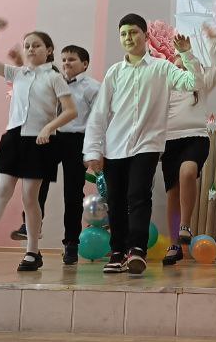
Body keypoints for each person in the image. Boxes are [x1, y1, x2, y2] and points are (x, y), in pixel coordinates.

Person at [84, 14, 202, 276]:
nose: (129, 38)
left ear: (146, 36)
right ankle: (117, 252)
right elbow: (99, 113)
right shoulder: (115, 72)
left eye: (134, 32)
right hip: (115, 146)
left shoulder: (162, 68)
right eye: (124, 33)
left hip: (147, 145)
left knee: (138, 195)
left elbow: (193, 83)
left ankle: (137, 250)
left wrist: (187, 55)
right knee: (116, 200)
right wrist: (93, 149)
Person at [0, 19, 76, 272]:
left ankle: (32, 252)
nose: (31, 49)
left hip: (39, 141)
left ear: (49, 50)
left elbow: (70, 111)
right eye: (27, 45)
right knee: (1, 189)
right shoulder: (17, 73)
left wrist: (49, 128)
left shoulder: (54, 77)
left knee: (30, 197)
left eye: (37, 45)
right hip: (13, 138)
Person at [10, 44, 100, 265]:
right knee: (36, 183)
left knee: (73, 193)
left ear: (85, 64)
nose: (66, 63)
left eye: (72, 59)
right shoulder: (53, 81)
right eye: (64, 59)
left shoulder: (93, 87)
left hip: (76, 140)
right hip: (51, 136)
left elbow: (97, 121)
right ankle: (31, 227)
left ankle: (71, 244)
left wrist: (93, 150)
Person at [160, 24, 216, 266]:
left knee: (188, 172)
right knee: (172, 192)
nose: (180, 70)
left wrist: (214, 41)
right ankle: (174, 245)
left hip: (195, 137)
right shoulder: (165, 89)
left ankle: (185, 225)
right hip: (169, 141)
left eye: (184, 65)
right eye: (176, 67)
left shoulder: (200, 85)